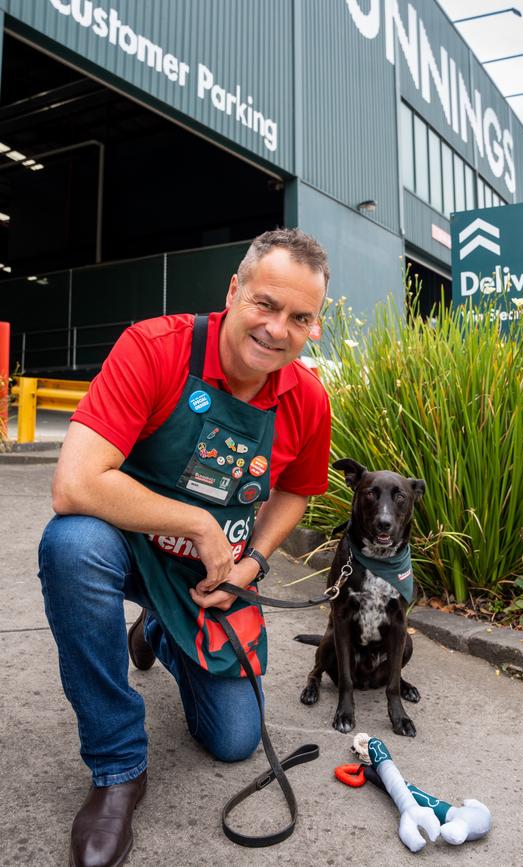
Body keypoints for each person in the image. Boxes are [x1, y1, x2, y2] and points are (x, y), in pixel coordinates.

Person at [38, 228, 332, 867]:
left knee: (234, 739)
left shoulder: (307, 399)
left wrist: (251, 562)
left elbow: (296, 495)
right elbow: (76, 483)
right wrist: (199, 523)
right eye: (265, 304)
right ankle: (117, 768)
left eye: (300, 317)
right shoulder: (155, 348)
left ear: (314, 324)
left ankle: (163, 631)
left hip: (210, 575)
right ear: (233, 291)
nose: (278, 329)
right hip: (122, 544)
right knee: (71, 545)